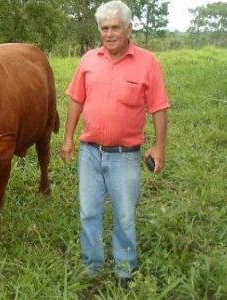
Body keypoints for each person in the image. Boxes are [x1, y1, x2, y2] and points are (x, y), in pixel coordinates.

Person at [60, 0, 170, 287]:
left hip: (125, 156)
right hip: (89, 153)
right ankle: (92, 267)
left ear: (129, 28)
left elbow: (159, 107)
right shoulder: (88, 60)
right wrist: (68, 138)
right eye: (104, 28)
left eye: (115, 28)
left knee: (124, 215)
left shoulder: (148, 62)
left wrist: (159, 147)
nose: (109, 34)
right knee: (89, 212)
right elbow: (76, 100)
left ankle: (124, 270)